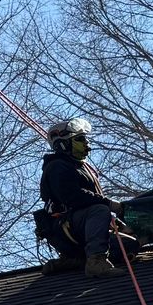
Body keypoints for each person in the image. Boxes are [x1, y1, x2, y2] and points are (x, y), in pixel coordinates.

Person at [40, 118, 124, 277]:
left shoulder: (81, 169)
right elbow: (74, 197)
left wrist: (117, 222)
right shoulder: (57, 167)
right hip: (65, 226)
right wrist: (110, 204)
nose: (86, 143)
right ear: (62, 144)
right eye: (80, 139)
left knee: (129, 244)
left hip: (84, 226)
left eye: (85, 139)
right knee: (99, 210)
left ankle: (76, 261)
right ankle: (95, 262)